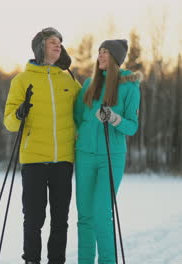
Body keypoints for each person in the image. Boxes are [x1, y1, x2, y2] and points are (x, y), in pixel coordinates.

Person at [3, 27, 81, 264]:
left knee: (60, 219)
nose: (58, 46)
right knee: (34, 219)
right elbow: (9, 123)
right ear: (40, 48)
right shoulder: (22, 80)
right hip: (34, 159)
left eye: (60, 42)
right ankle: (31, 261)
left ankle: (57, 261)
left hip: (63, 160)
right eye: (52, 42)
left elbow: (86, 110)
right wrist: (19, 113)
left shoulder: (69, 81)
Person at [73, 39, 141, 264]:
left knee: (101, 215)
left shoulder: (129, 86)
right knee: (85, 216)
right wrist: (81, 134)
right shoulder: (89, 84)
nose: (100, 56)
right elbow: (77, 116)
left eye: (106, 52)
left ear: (116, 58)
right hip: (84, 155)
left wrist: (113, 118)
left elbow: (132, 126)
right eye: (99, 52)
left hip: (111, 157)